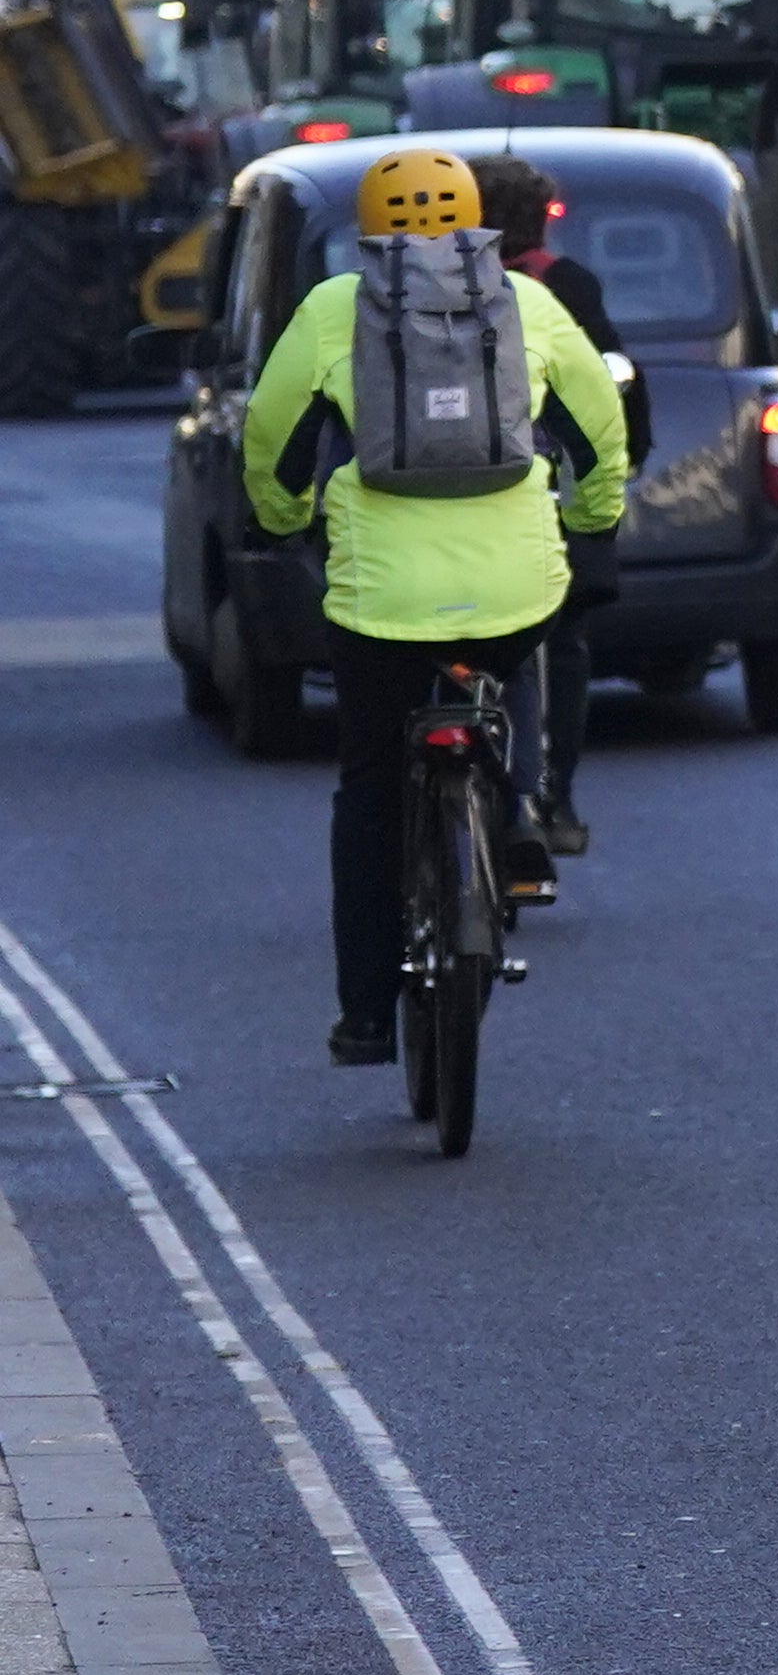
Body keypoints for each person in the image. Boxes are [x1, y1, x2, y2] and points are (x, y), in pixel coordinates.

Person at [237, 149, 631, 1066]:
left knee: (371, 785)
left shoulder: (336, 309)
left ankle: (368, 1010)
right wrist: (590, 516)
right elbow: (597, 431)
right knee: (517, 652)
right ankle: (518, 813)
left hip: (380, 596)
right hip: (514, 583)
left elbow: (271, 441)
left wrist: (286, 517)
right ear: (473, 218)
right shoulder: (528, 303)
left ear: (370, 226)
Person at [466, 156, 631, 870]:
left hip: (435, 511)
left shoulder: (418, 294)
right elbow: (610, 392)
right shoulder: (562, 289)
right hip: (547, 502)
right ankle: (552, 795)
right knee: (559, 649)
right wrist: (601, 505)